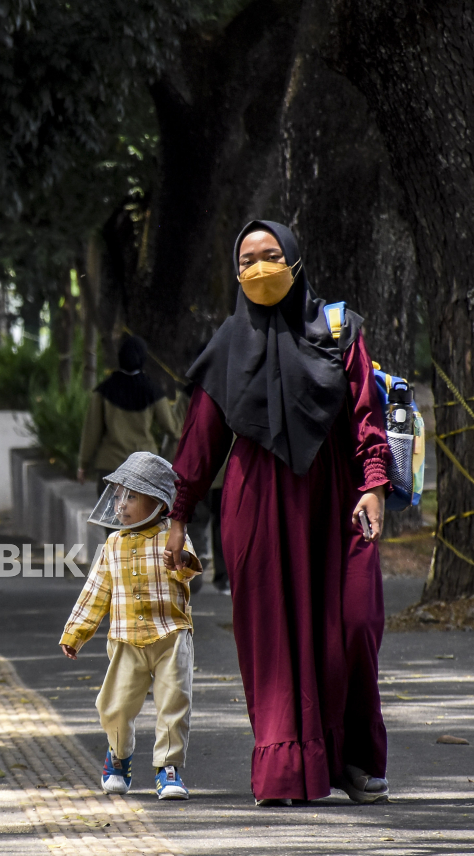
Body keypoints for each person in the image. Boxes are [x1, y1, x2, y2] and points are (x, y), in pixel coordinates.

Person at [165, 220, 391, 806]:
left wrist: (374, 485)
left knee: (355, 622)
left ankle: (355, 759)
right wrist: (177, 515)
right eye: (247, 259)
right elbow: (200, 440)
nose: (259, 268)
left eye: (271, 255)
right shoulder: (227, 345)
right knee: (272, 637)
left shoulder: (338, 330)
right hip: (258, 504)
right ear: (235, 272)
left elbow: (368, 413)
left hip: (338, 501)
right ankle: (287, 772)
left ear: (294, 261)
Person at [60, 452, 201, 800]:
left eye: (132, 497)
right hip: (125, 640)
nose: (121, 505)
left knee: (174, 703)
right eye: (119, 496)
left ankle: (168, 770)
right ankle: (118, 756)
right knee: (115, 704)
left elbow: (188, 571)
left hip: (172, 636)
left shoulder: (172, 534)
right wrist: (75, 633)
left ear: (158, 501)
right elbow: (96, 592)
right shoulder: (113, 544)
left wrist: (180, 558)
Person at [77, 335, 180, 495]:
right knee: (142, 519)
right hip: (145, 468)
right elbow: (173, 429)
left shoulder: (104, 390)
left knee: (110, 517)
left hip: (111, 466)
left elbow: (91, 432)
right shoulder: (153, 390)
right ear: (143, 358)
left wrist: (83, 464)